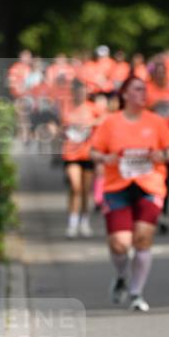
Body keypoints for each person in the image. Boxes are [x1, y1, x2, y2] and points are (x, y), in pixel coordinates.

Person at [91, 76, 169, 312]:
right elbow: (94, 151)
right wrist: (104, 158)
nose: (144, 94)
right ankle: (121, 275)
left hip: (149, 185)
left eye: (145, 90)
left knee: (142, 238)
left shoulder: (156, 121)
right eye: (138, 89)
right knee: (120, 244)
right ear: (125, 94)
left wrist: (164, 156)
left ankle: (136, 293)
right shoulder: (110, 123)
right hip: (116, 186)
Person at [146, 56, 169, 233]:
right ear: (153, 75)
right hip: (150, 139)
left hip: (167, 139)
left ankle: (164, 213)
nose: (161, 76)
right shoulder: (146, 90)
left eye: (163, 73)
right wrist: (153, 107)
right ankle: (151, 210)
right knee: (151, 176)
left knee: (167, 178)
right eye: (158, 74)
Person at [60, 80, 101, 238]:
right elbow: (59, 127)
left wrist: (92, 123)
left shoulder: (92, 108)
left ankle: (84, 221)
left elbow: (105, 119)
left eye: (83, 92)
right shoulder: (66, 108)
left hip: (88, 153)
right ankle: (72, 223)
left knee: (85, 190)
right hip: (71, 153)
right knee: (75, 187)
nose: (80, 95)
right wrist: (61, 131)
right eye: (78, 92)